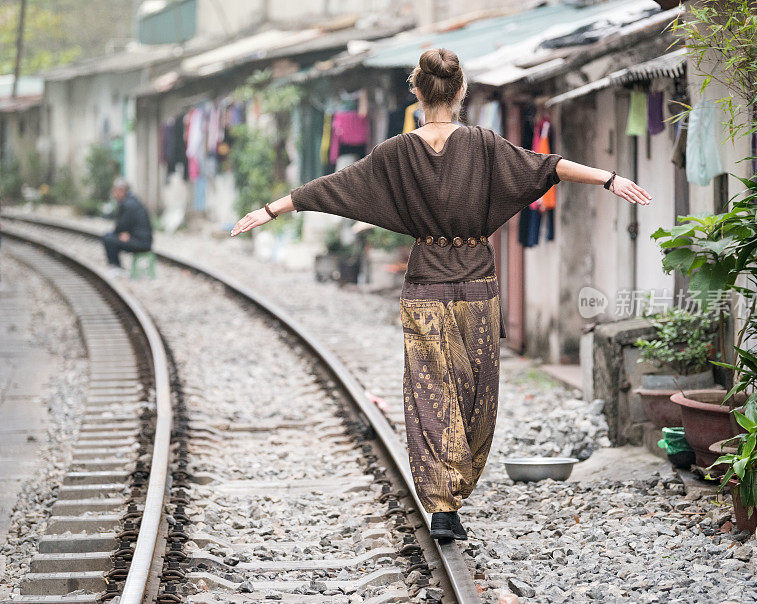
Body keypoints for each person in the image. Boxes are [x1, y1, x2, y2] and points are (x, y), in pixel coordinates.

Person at [231, 48, 652, 541]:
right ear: (461, 91)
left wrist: (273, 209)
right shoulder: (484, 145)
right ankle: (449, 500)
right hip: (477, 286)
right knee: (477, 394)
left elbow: (336, 186)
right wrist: (610, 177)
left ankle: (443, 499)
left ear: (417, 91)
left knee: (430, 391)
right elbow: (549, 167)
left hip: (425, 287)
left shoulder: (395, 153)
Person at [103, 178, 153, 276]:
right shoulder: (133, 201)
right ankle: (116, 266)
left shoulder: (127, 204)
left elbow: (120, 226)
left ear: (121, 191)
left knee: (108, 238)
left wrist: (127, 234)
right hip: (143, 240)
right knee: (111, 236)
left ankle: (115, 267)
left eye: (115, 191)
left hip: (140, 242)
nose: (114, 193)